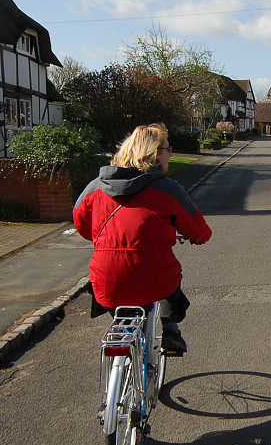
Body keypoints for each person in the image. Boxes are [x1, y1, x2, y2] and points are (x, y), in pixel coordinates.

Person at [73, 123, 211, 354]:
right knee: (170, 274)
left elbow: (81, 223)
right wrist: (197, 237)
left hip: (107, 277)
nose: (170, 155)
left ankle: (124, 349)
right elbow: (200, 230)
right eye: (168, 149)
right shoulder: (166, 189)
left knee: (122, 312)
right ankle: (170, 329)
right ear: (155, 154)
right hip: (153, 276)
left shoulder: (96, 187)